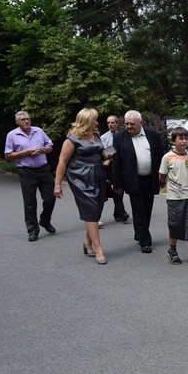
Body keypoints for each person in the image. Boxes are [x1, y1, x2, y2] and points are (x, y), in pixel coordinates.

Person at [53, 108, 108, 264]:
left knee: (95, 211)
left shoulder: (96, 135)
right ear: (87, 121)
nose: (97, 122)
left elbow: (101, 154)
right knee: (91, 211)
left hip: (97, 175)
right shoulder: (72, 139)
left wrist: (108, 156)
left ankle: (87, 243)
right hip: (80, 178)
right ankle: (99, 249)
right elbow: (62, 162)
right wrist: (57, 185)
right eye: (95, 120)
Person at [111, 110, 164, 253]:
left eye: (132, 124)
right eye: (126, 123)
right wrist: (116, 184)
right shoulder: (119, 138)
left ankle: (140, 234)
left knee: (147, 209)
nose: (128, 126)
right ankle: (145, 241)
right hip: (132, 180)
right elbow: (115, 162)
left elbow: (160, 157)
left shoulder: (153, 136)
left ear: (141, 123)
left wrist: (162, 177)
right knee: (138, 209)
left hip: (150, 179)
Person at [158, 127, 188, 269]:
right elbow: (161, 176)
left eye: (186, 138)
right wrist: (171, 184)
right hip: (175, 198)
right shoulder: (167, 157)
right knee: (175, 225)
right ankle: (172, 250)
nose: (184, 141)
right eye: (181, 138)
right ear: (174, 141)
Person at [4, 110, 56, 241]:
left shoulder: (38, 131)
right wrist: (25, 152)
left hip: (43, 169)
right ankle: (33, 230)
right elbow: (8, 155)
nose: (26, 121)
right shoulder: (12, 135)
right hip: (27, 172)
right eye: (23, 119)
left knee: (50, 198)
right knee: (30, 202)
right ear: (17, 122)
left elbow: (50, 146)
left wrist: (42, 149)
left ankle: (45, 220)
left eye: (28, 119)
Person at [99, 115, 129, 224]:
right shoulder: (103, 137)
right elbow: (103, 153)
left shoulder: (123, 135)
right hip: (110, 166)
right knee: (115, 187)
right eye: (108, 123)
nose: (110, 125)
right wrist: (114, 151)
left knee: (120, 188)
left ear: (117, 123)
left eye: (112, 122)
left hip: (122, 165)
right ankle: (121, 212)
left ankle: (118, 213)